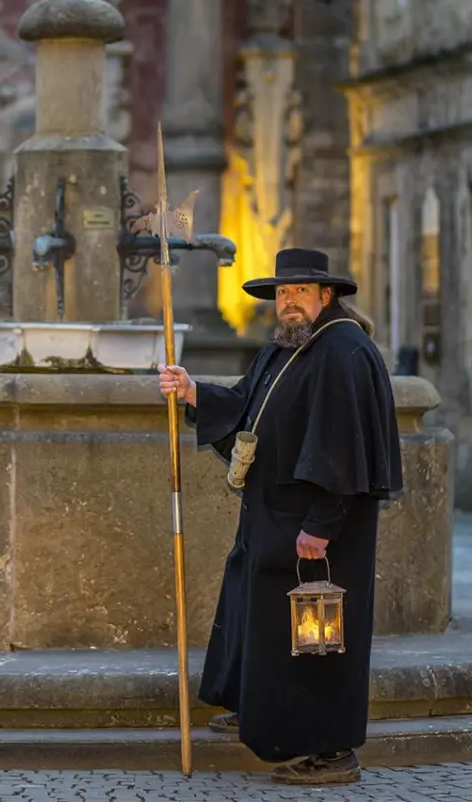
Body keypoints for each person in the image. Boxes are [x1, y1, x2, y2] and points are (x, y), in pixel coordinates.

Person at [158, 247, 403, 786]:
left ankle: (332, 750)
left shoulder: (342, 350)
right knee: (264, 620)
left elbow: (341, 445)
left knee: (316, 639)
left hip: (317, 528)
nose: (287, 302)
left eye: (298, 292)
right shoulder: (288, 347)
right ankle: (260, 712)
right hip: (273, 516)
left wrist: (320, 525)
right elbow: (249, 405)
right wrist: (193, 390)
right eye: (282, 294)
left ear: (326, 294)